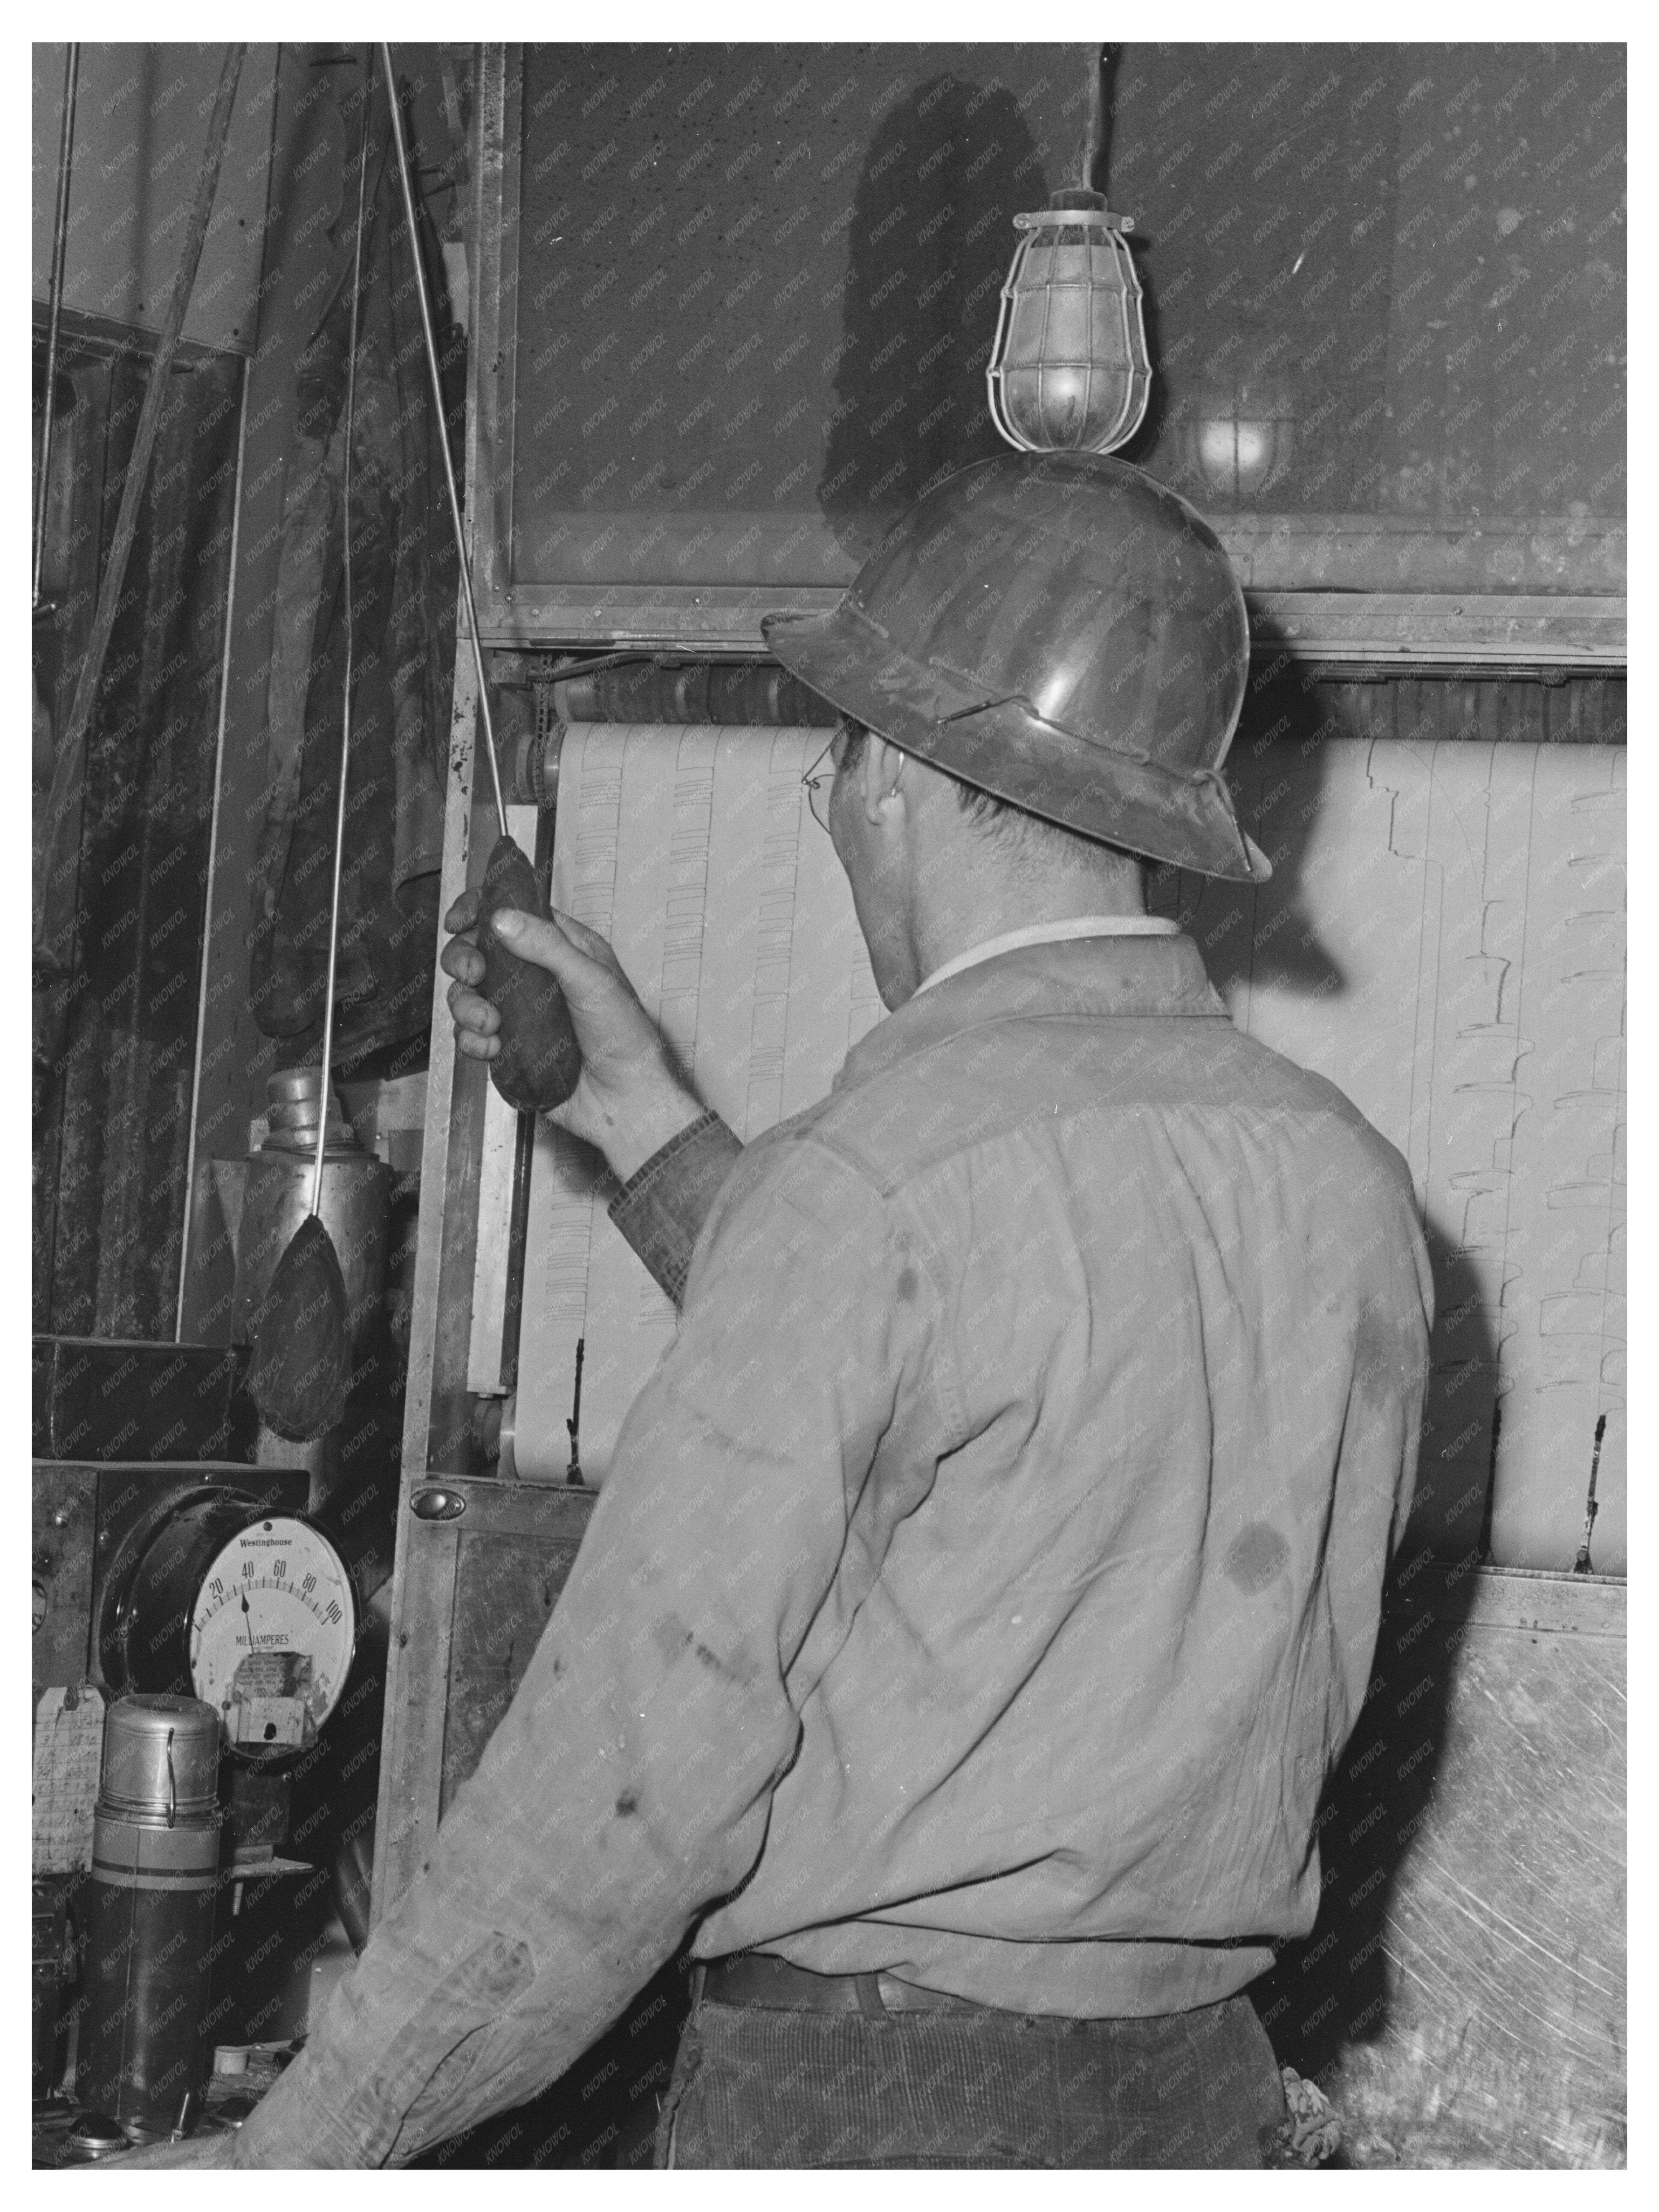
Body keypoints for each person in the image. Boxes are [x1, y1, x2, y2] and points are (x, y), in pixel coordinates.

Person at [125, 452, 1431, 2168]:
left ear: (894, 772)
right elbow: (982, 1395)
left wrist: (301, 2148)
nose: (830, 801)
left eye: (834, 758)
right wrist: (640, 1116)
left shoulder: (876, 1184)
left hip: (871, 2114)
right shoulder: (1345, 1185)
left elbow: (614, 1787)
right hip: (1197, 2098)